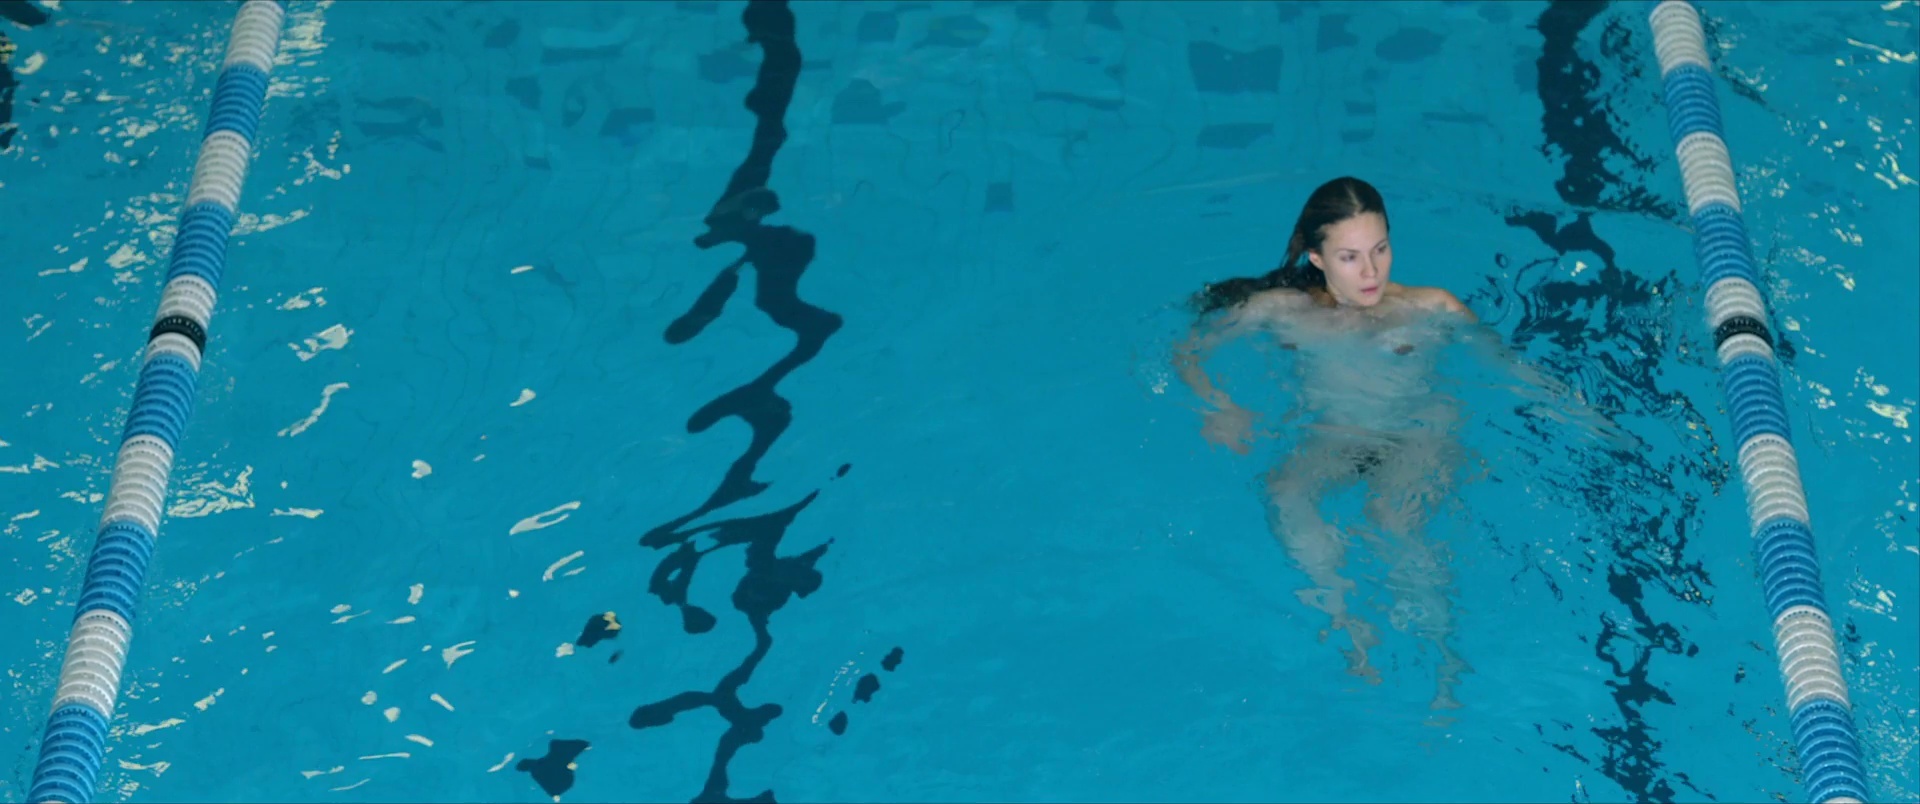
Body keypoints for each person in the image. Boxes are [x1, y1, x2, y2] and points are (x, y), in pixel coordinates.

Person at [1174, 176, 1518, 710]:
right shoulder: (1284, 312)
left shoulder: (1433, 307)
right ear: (1317, 259)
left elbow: (1509, 370)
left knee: (1390, 519)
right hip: (1337, 437)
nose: (1371, 272)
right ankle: (1346, 620)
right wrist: (1221, 407)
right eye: (1350, 257)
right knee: (1286, 491)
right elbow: (1188, 351)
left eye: (1380, 250)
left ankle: (1444, 660)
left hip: (1416, 435)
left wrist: (1577, 414)